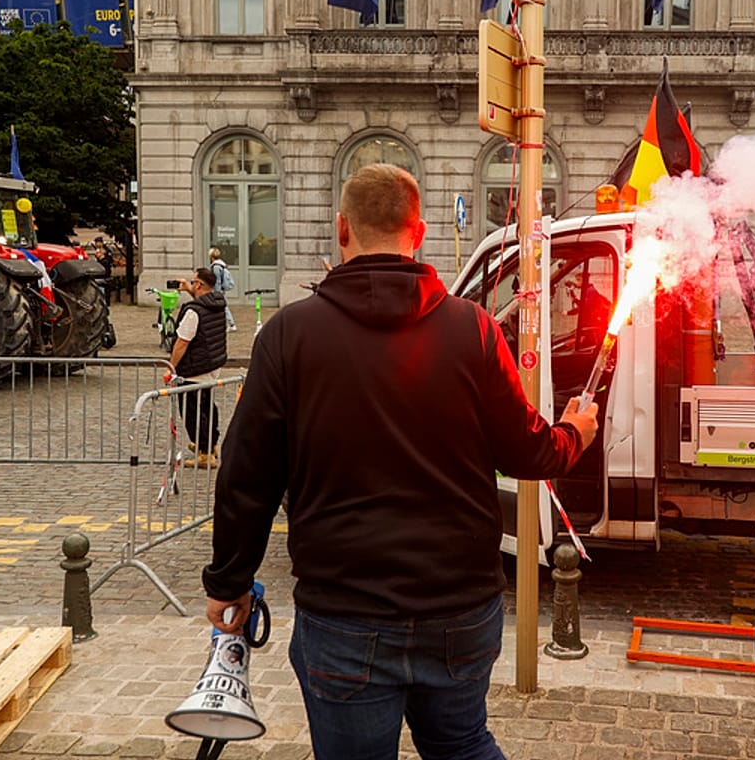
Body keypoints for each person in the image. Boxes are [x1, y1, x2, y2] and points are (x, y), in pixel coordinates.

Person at [203, 163, 599, 759]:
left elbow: (246, 475)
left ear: (342, 230)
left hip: (345, 610)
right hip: (459, 607)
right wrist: (575, 431)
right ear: (420, 232)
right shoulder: (475, 331)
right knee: (462, 744)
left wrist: (228, 581)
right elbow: (527, 450)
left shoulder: (289, 335)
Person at [167, 266, 228, 468]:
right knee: (208, 407)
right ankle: (211, 444)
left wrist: (171, 367)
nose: (191, 284)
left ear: (200, 284)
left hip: (195, 367)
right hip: (212, 363)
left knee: (192, 410)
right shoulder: (218, 303)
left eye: (193, 282)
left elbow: (182, 342)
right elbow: (203, 299)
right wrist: (188, 289)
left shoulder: (193, 311)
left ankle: (204, 452)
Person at [207, 247, 237, 331]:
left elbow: (217, 281)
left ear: (211, 256)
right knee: (222, 306)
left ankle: (231, 324)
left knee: (223, 307)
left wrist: (217, 292)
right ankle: (229, 324)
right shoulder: (221, 265)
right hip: (220, 290)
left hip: (218, 291)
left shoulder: (216, 267)